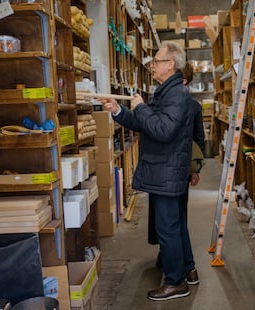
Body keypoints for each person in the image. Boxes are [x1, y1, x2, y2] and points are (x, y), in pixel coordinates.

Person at [101, 41, 195, 301]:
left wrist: (141, 107)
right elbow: (146, 123)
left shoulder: (176, 95)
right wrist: (119, 110)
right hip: (163, 170)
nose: (152, 66)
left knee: (168, 227)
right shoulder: (166, 92)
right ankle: (185, 271)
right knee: (171, 225)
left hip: (167, 170)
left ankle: (176, 283)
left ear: (170, 64)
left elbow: (163, 130)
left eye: (156, 61)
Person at [149, 63, 206, 288]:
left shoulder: (180, 103)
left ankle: (181, 268)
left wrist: (194, 169)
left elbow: (194, 140)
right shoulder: (191, 104)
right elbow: (198, 140)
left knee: (170, 221)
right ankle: (187, 267)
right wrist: (195, 170)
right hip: (179, 170)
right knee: (177, 217)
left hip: (171, 170)